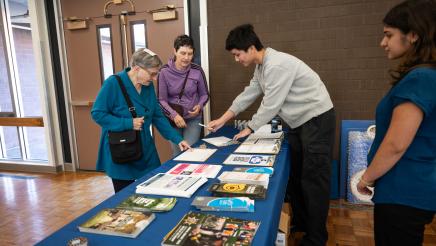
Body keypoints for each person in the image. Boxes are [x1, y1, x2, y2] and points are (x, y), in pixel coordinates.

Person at [207, 24, 336, 245]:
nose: (236, 60)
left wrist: (250, 128)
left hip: (316, 119)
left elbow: (271, 105)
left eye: (237, 54)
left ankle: (316, 239)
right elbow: (248, 94)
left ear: (250, 47)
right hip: (299, 123)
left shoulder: (276, 65)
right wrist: (223, 118)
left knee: (313, 181)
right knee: (296, 178)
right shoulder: (261, 67)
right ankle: (302, 224)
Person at [356, 0, 436, 245]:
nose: (383, 43)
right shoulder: (425, 75)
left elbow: (396, 144)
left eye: (388, 35)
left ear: (413, 35)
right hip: (408, 190)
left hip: (403, 193)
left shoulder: (420, 78)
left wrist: (366, 178)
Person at [91, 48, 190, 193]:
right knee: (125, 198)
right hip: (121, 150)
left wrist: (177, 139)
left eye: (157, 74)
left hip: (145, 149)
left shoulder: (147, 86)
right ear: (137, 68)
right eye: (152, 74)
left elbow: (157, 116)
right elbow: (97, 114)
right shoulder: (113, 84)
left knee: (155, 190)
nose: (155, 78)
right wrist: (128, 123)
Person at [158, 34, 209, 157]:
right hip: (173, 120)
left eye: (190, 54)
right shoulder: (164, 72)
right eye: (183, 53)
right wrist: (174, 115)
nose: (186, 58)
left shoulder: (197, 70)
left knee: (189, 152)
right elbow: (161, 100)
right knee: (177, 153)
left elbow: (205, 94)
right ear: (175, 51)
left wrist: (200, 106)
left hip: (193, 119)